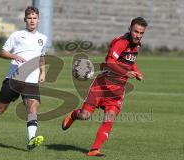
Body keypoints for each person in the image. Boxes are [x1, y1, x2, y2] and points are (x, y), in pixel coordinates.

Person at [62, 17, 148, 157]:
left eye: (141, 33)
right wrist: (126, 72)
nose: (138, 35)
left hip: (117, 91)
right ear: (130, 29)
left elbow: (130, 62)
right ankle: (73, 115)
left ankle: (94, 149)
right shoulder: (121, 43)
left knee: (110, 117)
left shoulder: (137, 45)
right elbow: (109, 62)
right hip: (101, 87)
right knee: (85, 115)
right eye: (136, 31)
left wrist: (137, 72)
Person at [0, 6, 47, 150]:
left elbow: (41, 57)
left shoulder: (43, 38)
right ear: (25, 20)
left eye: (34, 18)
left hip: (31, 81)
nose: (32, 21)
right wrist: (14, 56)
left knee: (32, 107)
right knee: (0, 110)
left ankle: (31, 139)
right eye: (29, 18)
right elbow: (2, 53)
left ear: (38, 20)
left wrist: (43, 72)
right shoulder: (17, 35)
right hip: (13, 79)